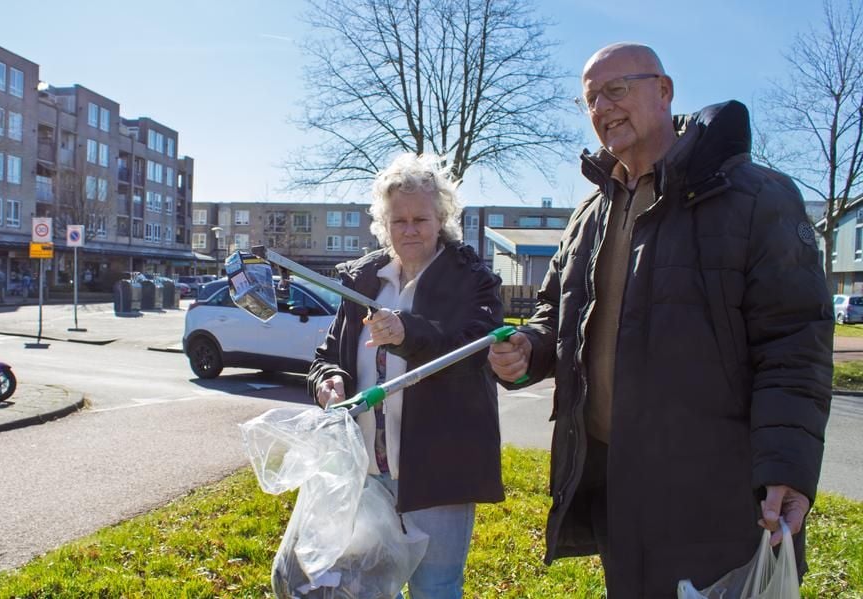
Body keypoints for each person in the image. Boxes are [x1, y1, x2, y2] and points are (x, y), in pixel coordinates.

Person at [488, 43, 833, 597]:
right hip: (613, 477)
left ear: (664, 90)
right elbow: (556, 314)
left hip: (715, 489)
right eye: (590, 98)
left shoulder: (754, 197)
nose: (602, 107)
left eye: (616, 90)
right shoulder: (589, 214)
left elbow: (794, 341)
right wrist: (529, 349)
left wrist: (788, 467)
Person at [308, 152, 505, 599]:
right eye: (399, 220)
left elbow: (473, 350)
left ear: (442, 219)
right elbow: (326, 354)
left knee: (436, 587)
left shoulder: (472, 280)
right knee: (367, 588)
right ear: (384, 223)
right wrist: (328, 379)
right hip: (366, 473)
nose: (410, 229)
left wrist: (407, 331)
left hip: (440, 474)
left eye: (422, 218)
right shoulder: (363, 282)